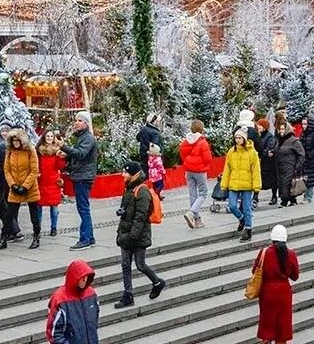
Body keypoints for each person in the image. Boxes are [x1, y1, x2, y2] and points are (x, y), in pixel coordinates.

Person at [113, 162, 166, 309]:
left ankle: (157, 282)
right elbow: (129, 209)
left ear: (133, 174)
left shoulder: (142, 191)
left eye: (125, 173)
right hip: (126, 233)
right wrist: (122, 212)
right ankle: (128, 295)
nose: (123, 175)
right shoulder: (128, 188)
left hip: (137, 235)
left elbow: (141, 216)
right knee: (125, 265)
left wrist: (133, 235)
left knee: (140, 264)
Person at [255, 224, 300, 344]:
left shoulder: (264, 252)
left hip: (267, 291)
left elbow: (255, 271)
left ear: (272, 238)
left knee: (267, 320)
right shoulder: (291, 254)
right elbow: (295, 276)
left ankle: (266, 340)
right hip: (284, 292)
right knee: (282, 324)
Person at [0, 129, 43, 251]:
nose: (15, 143)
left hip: (29, 187)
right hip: (15, 187)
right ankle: (3, 238)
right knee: (9, 215)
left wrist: (25, 186)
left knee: (34, 214)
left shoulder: (30, 150)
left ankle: (36, 237)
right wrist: (12, 185)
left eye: (17, 140)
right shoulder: (10, 152)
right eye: (13, 140)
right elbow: (7, 170)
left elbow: (34, 170)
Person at [64, 112, 101, 251]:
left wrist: (64, 147)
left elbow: (81, 154)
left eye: (80, 120)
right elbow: (78, 155)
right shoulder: (82, 137)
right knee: (83, 208)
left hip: (83, 177)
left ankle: (85, 239)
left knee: (83, 209)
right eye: (76, 120)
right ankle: (90, 238)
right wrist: (67, 155)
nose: (76, 123)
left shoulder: (88, 138)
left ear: (86, 123)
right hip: (81, 175)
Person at [222, 129, 262, 241]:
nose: (237, 140)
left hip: (247, 184)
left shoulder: (252, 152)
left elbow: (256, 170)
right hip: (234, 183)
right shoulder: (231, 152)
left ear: (244, 138)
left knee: (246, 208)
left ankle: (248, 229)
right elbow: (227, 169)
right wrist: (224, 184)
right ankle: (242, 219)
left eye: (240, 138)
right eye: (236, 138)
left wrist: (256, 186)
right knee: (232, 206)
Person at [47, 260, 99, 344]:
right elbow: (54, 333)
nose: (84, 280)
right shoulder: (59, 299)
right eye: (82, 278)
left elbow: (94, 323)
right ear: (75, 278)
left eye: (86, 277)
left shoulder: (91, 294)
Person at [179, 120, 214, 228]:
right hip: (200, 170)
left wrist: (188, 161)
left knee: (192, 193)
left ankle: (197, 219)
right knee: (203, 192)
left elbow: (181, 153)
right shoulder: (203, 142)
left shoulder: (186, 141)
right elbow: (208, 158)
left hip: (189, 170)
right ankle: (192, 212)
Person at [39, 130, 66, 237]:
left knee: (54, 207)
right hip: (41, 181)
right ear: (44, 137)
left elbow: (60, 167)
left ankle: (54, 227)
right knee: (38, 206)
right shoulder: (39, 151)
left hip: (53, 182)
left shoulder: (57, 151)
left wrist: (61, 157)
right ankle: (38, 227)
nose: (49, 138)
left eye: (51, 136)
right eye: (47, 136)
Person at [274, 122, 306, 207]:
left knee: (287, 184)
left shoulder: (294, 141)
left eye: (283, 129)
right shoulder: (280, 140)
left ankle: (284, 201)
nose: (281, 131)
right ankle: (292, 200)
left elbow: (301, 154)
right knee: (282, 184)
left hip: (290, 167)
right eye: (280, 129)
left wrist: (298, 166)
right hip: (280, 167)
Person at [255, 117, 279, 206]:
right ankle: (255, 197)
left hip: (268, 163)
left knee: (272, 181)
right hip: (260, 162)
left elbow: (270, 148)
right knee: (258, 180)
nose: (258, 127)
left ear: (264, 127)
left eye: (260, 125)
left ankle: (274, 196)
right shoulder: (257, 136)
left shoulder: (269, 137)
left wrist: (262, 153)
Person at [300, 116, 314, 204]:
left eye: (305, 124)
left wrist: (310, 155)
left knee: (310, 180)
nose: (303, 126)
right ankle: (306, 196)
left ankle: (308, 197)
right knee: (306, 179)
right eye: (302, 124)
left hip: (311, 161)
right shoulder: (303, 133)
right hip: (305, 160)